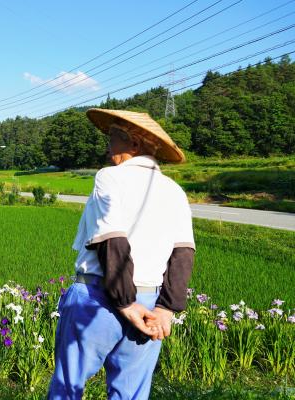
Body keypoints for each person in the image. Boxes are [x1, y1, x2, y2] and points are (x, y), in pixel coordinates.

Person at [47, 109, 196, 400]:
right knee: (131, 393)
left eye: (112, 138)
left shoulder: (110, 177)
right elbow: (183, 253)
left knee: (68, 387)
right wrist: (166, 310)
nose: (107, 146)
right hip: (150, 305)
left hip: (98, 296)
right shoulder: (175, 190)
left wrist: (126, 304)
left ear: (134, 144)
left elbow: (111, 238)